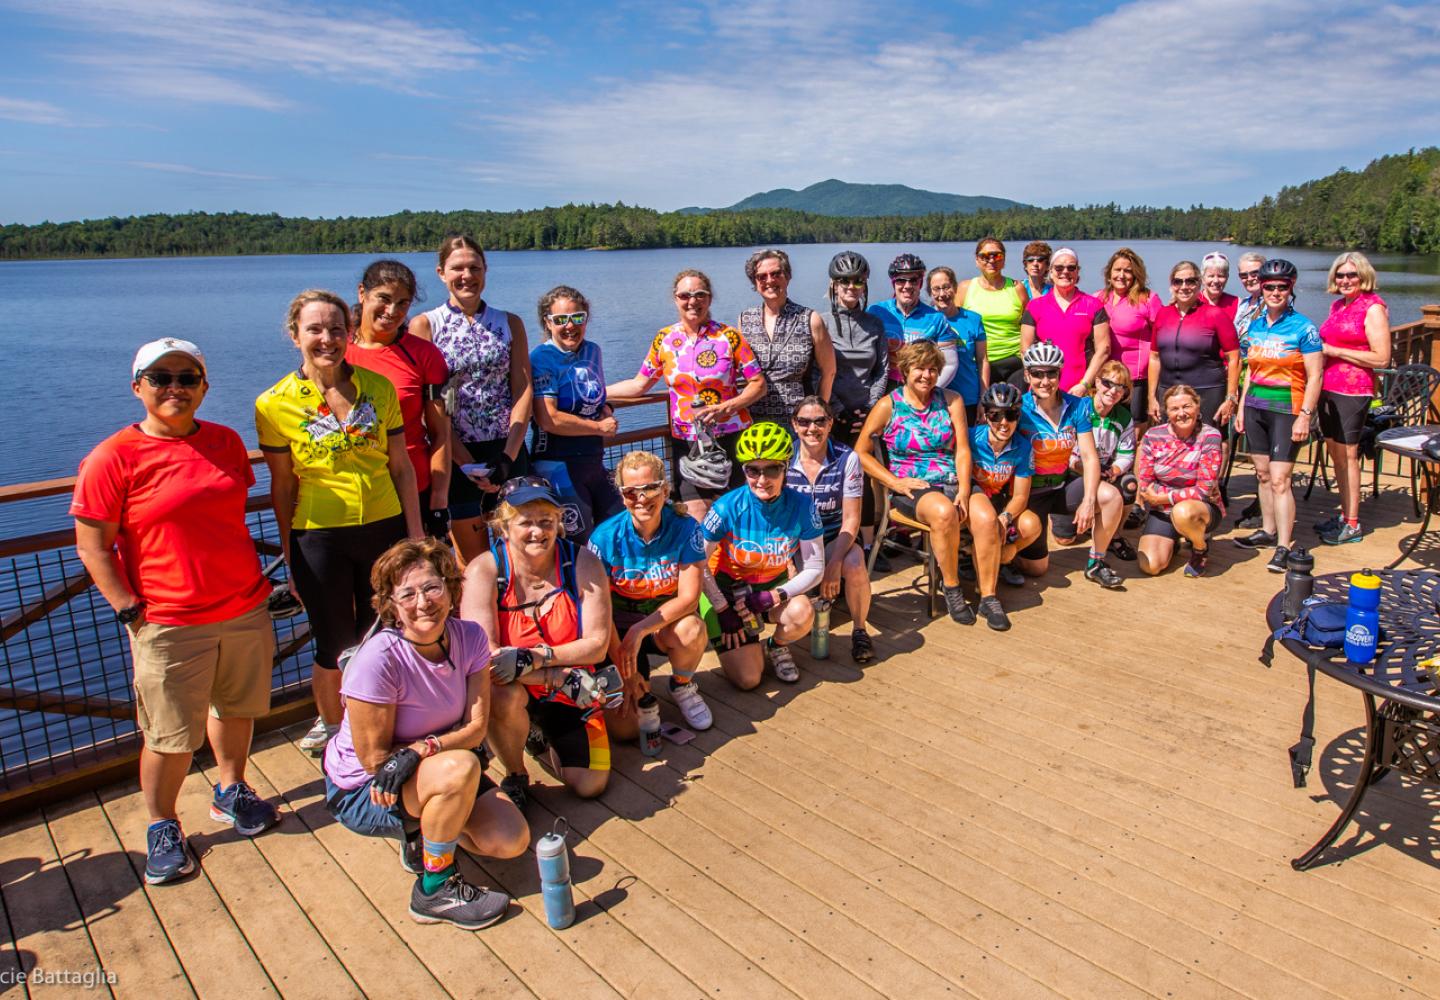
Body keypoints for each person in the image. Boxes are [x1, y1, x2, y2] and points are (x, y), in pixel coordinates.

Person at [73, 338, 278, 884]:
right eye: (160, 378)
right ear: (137, 386)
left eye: (188, 378)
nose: (175, 388)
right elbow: (93, 545)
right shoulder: (112, 457)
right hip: (167, 620)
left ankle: (230, 790)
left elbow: (223, 518)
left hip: (243, 606)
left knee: (236, 708)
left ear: (204, 387)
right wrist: (126, 609)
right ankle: (163, 824)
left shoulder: (225, 442)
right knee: (168, 735)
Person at [322, 539, 527, 929]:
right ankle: (434, 888)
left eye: (432, 588)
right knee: (463, 767)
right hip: (365, 788)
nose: (423, 602)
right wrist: (436, 756)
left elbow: (476, 726)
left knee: (509, 839)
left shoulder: (469, 637)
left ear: (451, 588)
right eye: (408, 594)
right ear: (391, 604)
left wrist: (423, 748)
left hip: (433, 764)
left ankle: (426, 832)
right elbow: (374, 760)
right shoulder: (378, 660)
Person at [257, 291, 423, 756]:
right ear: (295, 336)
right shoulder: (273, 404)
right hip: (319, 534)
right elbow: (283, 486)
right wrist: (290, 556)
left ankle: (382, 721)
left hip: (384, 526)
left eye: (335, 329)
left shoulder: (378, 388)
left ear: (349, 334)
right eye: (314, 329)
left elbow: (401, 467)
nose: (326, 339)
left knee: (384, 633)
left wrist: (414, 536)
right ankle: (334, 729)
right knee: (332, 641)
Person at [462, 478, 616, 810]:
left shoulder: (582, 563)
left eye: (546, 521)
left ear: (559, 522)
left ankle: (538, 735)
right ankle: (515, 773)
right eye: (526, 522)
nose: (537, 531)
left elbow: (597, 645)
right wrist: (554, 676)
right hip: (532, 684)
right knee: (501, 695)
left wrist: (535, 657)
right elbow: (486, 659)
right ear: (504, 527)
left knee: (591, 784)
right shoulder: (484, 571)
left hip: (573, 691)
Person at [409, 235, 533, 563]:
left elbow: (522, 389)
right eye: (457, 268)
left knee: (522, 553)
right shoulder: (426, 326)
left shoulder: (509, 323)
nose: (467, 275)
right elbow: (435, 402)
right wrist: (466, 463)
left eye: (474, 267)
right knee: (475, 563)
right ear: (441, 273)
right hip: (455, 457)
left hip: (507, 451)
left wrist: (508, 455)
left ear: (485, 270)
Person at [608, 269, 766, 521]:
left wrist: (729, 407)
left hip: (730, 439)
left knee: (736, 515)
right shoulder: (665, 339)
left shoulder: (729, 337)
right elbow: (639, 385)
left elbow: (758, 383)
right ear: (675, 299)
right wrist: (595, 394)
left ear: (709, 299)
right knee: (695, 517)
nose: (693, 301)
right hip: (686, 442)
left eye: (699, 294)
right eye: (685, 295)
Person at [586, 451, 712, 731]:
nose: (641, 499)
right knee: (629, 730)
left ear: (665, 490)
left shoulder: (686, 527)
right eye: (631, 492)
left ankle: (682, 685)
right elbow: (599, 611)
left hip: (659, 626)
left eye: (650, 488)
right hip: (617, 634)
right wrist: (624, 664)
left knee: (692, 629)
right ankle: (635, 683)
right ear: (621, 496)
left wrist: (640, 630)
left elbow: (689, 599)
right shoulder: (604, 538)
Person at [855, 341, 976, 623]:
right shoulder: (889, 405)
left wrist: (966, 489)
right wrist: (893, 482)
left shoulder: (951, 399)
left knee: (983, 516)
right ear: (906, 370)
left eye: (933, 369)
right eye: (920, 368)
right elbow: (860, 453)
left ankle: (989, 593)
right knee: (945, 513)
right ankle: (952, 587)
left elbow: (963, 449)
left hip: (951, 480)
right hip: (912, 487)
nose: (927, 375)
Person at [699, 423, 824, 688]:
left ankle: (776, 645)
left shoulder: (802, 505)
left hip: (769, 590)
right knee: (749, 680)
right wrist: (722, 609)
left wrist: (775, 595)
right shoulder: (726, 507)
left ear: (786, 468)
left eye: (772, 469)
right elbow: (696, 564)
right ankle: (739, 638)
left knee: (802, 612)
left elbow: (815, 568)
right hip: (726, 594)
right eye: (752, 470)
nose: (762, 479)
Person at [346, 260, 453, 541]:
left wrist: (439, 502)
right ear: (362, 293)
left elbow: (441, 433)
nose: (392, 311)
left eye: (403, 303)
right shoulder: (336, 351)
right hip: (353, 495)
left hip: (413, 490)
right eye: (384, 298)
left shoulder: (425, 355)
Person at [1233, 259, 1324, 572]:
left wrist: (1305, 415)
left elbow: (1315, 376)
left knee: (1281, 479)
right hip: (1257, 406)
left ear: (1291, 288)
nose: (1274, 292)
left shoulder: (1304, 328)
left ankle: (1285, 544)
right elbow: (1250, 371)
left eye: (1281, 287)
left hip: (1288, 408)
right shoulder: (1256, 325)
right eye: (1268, 286)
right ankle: (1268, 530)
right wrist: (1243, 409)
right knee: (1262, 474)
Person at [1012, 342, 1125, 588]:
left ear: (1059, 374)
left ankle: (1096, 563)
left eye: (1051, 373)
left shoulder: (1076, 406)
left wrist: (1088, 502)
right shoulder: (1019, 408)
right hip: (1030, 493)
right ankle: (1007, 556)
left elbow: (1089, 456)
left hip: (1062, 485)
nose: (1045, 380)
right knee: (1037, 569)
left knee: (1111, 497)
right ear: (1027, 375)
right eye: (1037, 374)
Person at [528, 285, 623, 542]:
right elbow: (548, 418)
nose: (570, 326)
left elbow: (594, 395)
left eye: (577, 317)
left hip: (593, 459)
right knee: (578, 542)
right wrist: (598, 428)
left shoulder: (593, 351)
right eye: (561, 320)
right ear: (548, 323)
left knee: (616, 529)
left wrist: (605, 409)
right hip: (559, 464)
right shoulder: (542, 358)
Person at [786, 396, 874, 662]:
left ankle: (860, 630)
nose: (812, 429)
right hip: (795, 543)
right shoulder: (783, 459)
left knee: (856, 561)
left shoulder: (848, 459)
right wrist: (787, 560)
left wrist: (834, 564)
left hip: (834, 537)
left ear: (830, 423)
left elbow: (851, 519)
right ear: (794, 424)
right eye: (804, 422)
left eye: (819, 421)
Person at [1315, 251, 1391, 544]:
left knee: (1349, 456)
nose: (1345, 280)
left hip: (1353, 390)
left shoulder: (1373, 308)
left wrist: (1334, 351)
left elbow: (1382, 357)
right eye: (1340, 275)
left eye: (1351, 275)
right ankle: (1344, 515)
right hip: (1328, 388)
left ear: (1363, 276)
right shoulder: (1339, 305)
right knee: (1336, 454)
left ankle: (1354, 524)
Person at [819, 250, 889, 562]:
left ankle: (871, 543)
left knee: (868, 478)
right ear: (833, 285)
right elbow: (816, 371)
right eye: (844, 281)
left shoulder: (874, 323)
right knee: (833, 478)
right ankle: (837, 540)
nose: (851, 287)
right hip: (835, 416)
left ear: (864, 285)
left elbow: (883, 370)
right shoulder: (821, 323)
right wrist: (837, 408)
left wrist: (871, 409)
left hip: (867, 416)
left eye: (857, 281)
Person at [966, 382, 1043, 631]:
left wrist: (1006, 517)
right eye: (995, 415)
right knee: (985, 522)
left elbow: (1021, 495)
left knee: (1032, 524)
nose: (1003, 422)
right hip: (972, 502)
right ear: (985, 415)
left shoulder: (1022, 447)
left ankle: (1002, 557)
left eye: (1010, 415)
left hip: (999, 504)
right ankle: (988, 595)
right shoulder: (970, 438)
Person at [1136, 386, 1226, 578]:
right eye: (1174, 409)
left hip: (1199, 509)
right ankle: (1174, 538)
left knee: (1183, 512)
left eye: (1187, 406)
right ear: (1166, 412)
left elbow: (1204, 490)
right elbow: (1145, 485)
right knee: (1150, 566)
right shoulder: (1153, 436)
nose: (1182, 413)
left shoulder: (1210, 436)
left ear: (1197, 407)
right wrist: (1161, 498)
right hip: (1162, 510)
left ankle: (1199, 547)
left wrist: (1164, 497)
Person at [738, 249, 836, 421]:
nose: (769, 280)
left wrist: (819, 415)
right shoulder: (745, 320)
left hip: (799, 421)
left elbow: (829, 372)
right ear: (755, 282)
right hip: (754, 421)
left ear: (788, 276)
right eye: (762, 276)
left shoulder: (809, 319)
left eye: (776, 274)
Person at [1147, 260, 1241, 431]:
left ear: (1199, 283)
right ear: (1172, 285)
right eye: (1178, 281)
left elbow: (1234, 357)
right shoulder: (1163, 314)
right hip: (1168, 392)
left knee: (1209, 444)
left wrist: (1230, 398)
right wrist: (1151, 396)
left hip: (1207, 392)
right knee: (1168, 446)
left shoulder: (1215, 314)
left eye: (1190, 281)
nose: (1184, 287)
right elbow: (1154, 357)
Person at [1019, 248, 1112, 397]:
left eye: (1071, 267)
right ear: (1050, 271)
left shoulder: (1093, 305)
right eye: (1059, 268)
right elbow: (1025, 349)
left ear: (1077, 272)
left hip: (1079, 389)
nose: (1065, 272)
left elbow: (1104, 349)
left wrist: (1084, 384)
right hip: (1043, 388)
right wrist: (1036, 381)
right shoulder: (1035, 306)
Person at [1095, 247, 1161, 432]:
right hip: (1106, 377)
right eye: (1117, 270)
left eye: (1128, 270)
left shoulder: (1148, 299)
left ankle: (1134, 462)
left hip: (1136, 378)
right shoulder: (1099, 298)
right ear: (1109, 273)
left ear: (1136, 274)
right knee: (1106, 427)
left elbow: (1162, 334)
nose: (1122, 275)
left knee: (1134, 430)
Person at [867, 253, 957, 388]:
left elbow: (950, 364)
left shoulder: (936, 318)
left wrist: (929, 390)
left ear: (920, 284)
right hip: (882, 385)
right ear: (893, 284)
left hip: (920, 387)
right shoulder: (876, 311)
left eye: (913, 280)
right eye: (901, 280)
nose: (907, 286)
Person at [1080, 361, 1139, 561]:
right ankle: (1093, 522)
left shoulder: (1123, 416)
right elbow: (1068, 455)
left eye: (1120, 387)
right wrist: (1086, 469)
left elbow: (1126, 455)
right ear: (1097, 382)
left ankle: (1113, 534)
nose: (1113, 391)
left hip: (1106, 470)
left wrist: (1114, 469)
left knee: (1130, 484)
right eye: (1108, 383)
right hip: (1077, 472)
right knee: (1065, 539)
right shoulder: (1081, 408)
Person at [958, 238, 1029, 388]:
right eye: (985, 256)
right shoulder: (966, 288)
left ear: (1003, 260)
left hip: (1014, 361)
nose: (991, 260)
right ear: (977, 260)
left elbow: (1029, 326)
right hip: (978, 363)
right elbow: (955, 325)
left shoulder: (1017, 288)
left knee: (1014, 409)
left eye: (997, 256)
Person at [1230, 252, 1268, 528]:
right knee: (1251, 443)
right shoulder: (1243, 305)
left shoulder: (1276, 302)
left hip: (1266, 383)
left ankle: (1263, 506)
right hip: (1242, 379)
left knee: (1262, 449)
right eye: (1243, 275)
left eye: (1255, 272)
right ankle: (1259, 501)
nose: (1249, 278)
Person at [928, 266, 989, 421]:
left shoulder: (973, 319)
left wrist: (984, 397)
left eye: (946, 287)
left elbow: (982, 360)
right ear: (930, 293)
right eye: (936, 289)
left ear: (955, 288)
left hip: (967, 397)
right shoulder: (925, 320)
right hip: (933, 397)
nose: (942, 294)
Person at [1200, 251, 1239, 326]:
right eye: (1211, 276)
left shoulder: (1237, 303)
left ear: (1227, 277)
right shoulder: (1192, 302)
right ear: (1202, 278)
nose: (1216, 281)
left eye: (1221, 276)